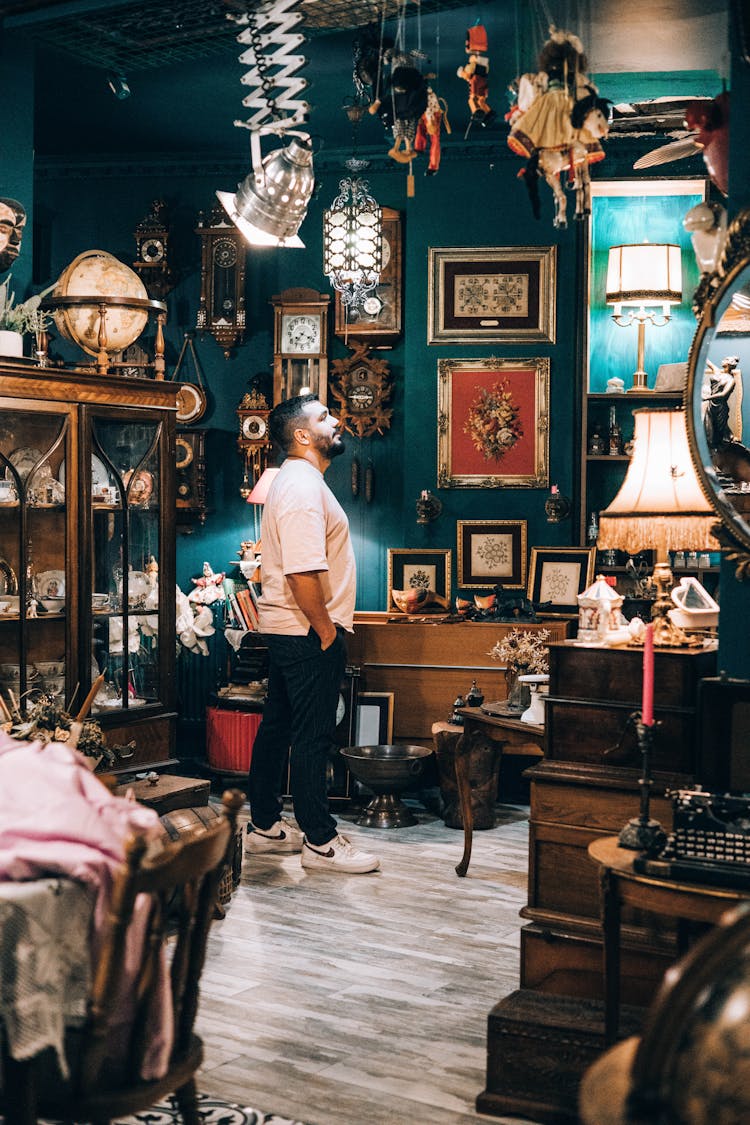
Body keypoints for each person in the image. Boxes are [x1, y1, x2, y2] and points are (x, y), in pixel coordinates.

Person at [245, 394, 380, 875]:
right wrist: (326, 631)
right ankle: (320, 841)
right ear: (302, 435)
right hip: (306, 629)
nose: (335, 420)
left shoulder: (298, 482)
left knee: (279, 725)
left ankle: (262, 827)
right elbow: (303, 573)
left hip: (291, 628)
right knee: (313, 734)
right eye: (324, 417)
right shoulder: (302, 488)